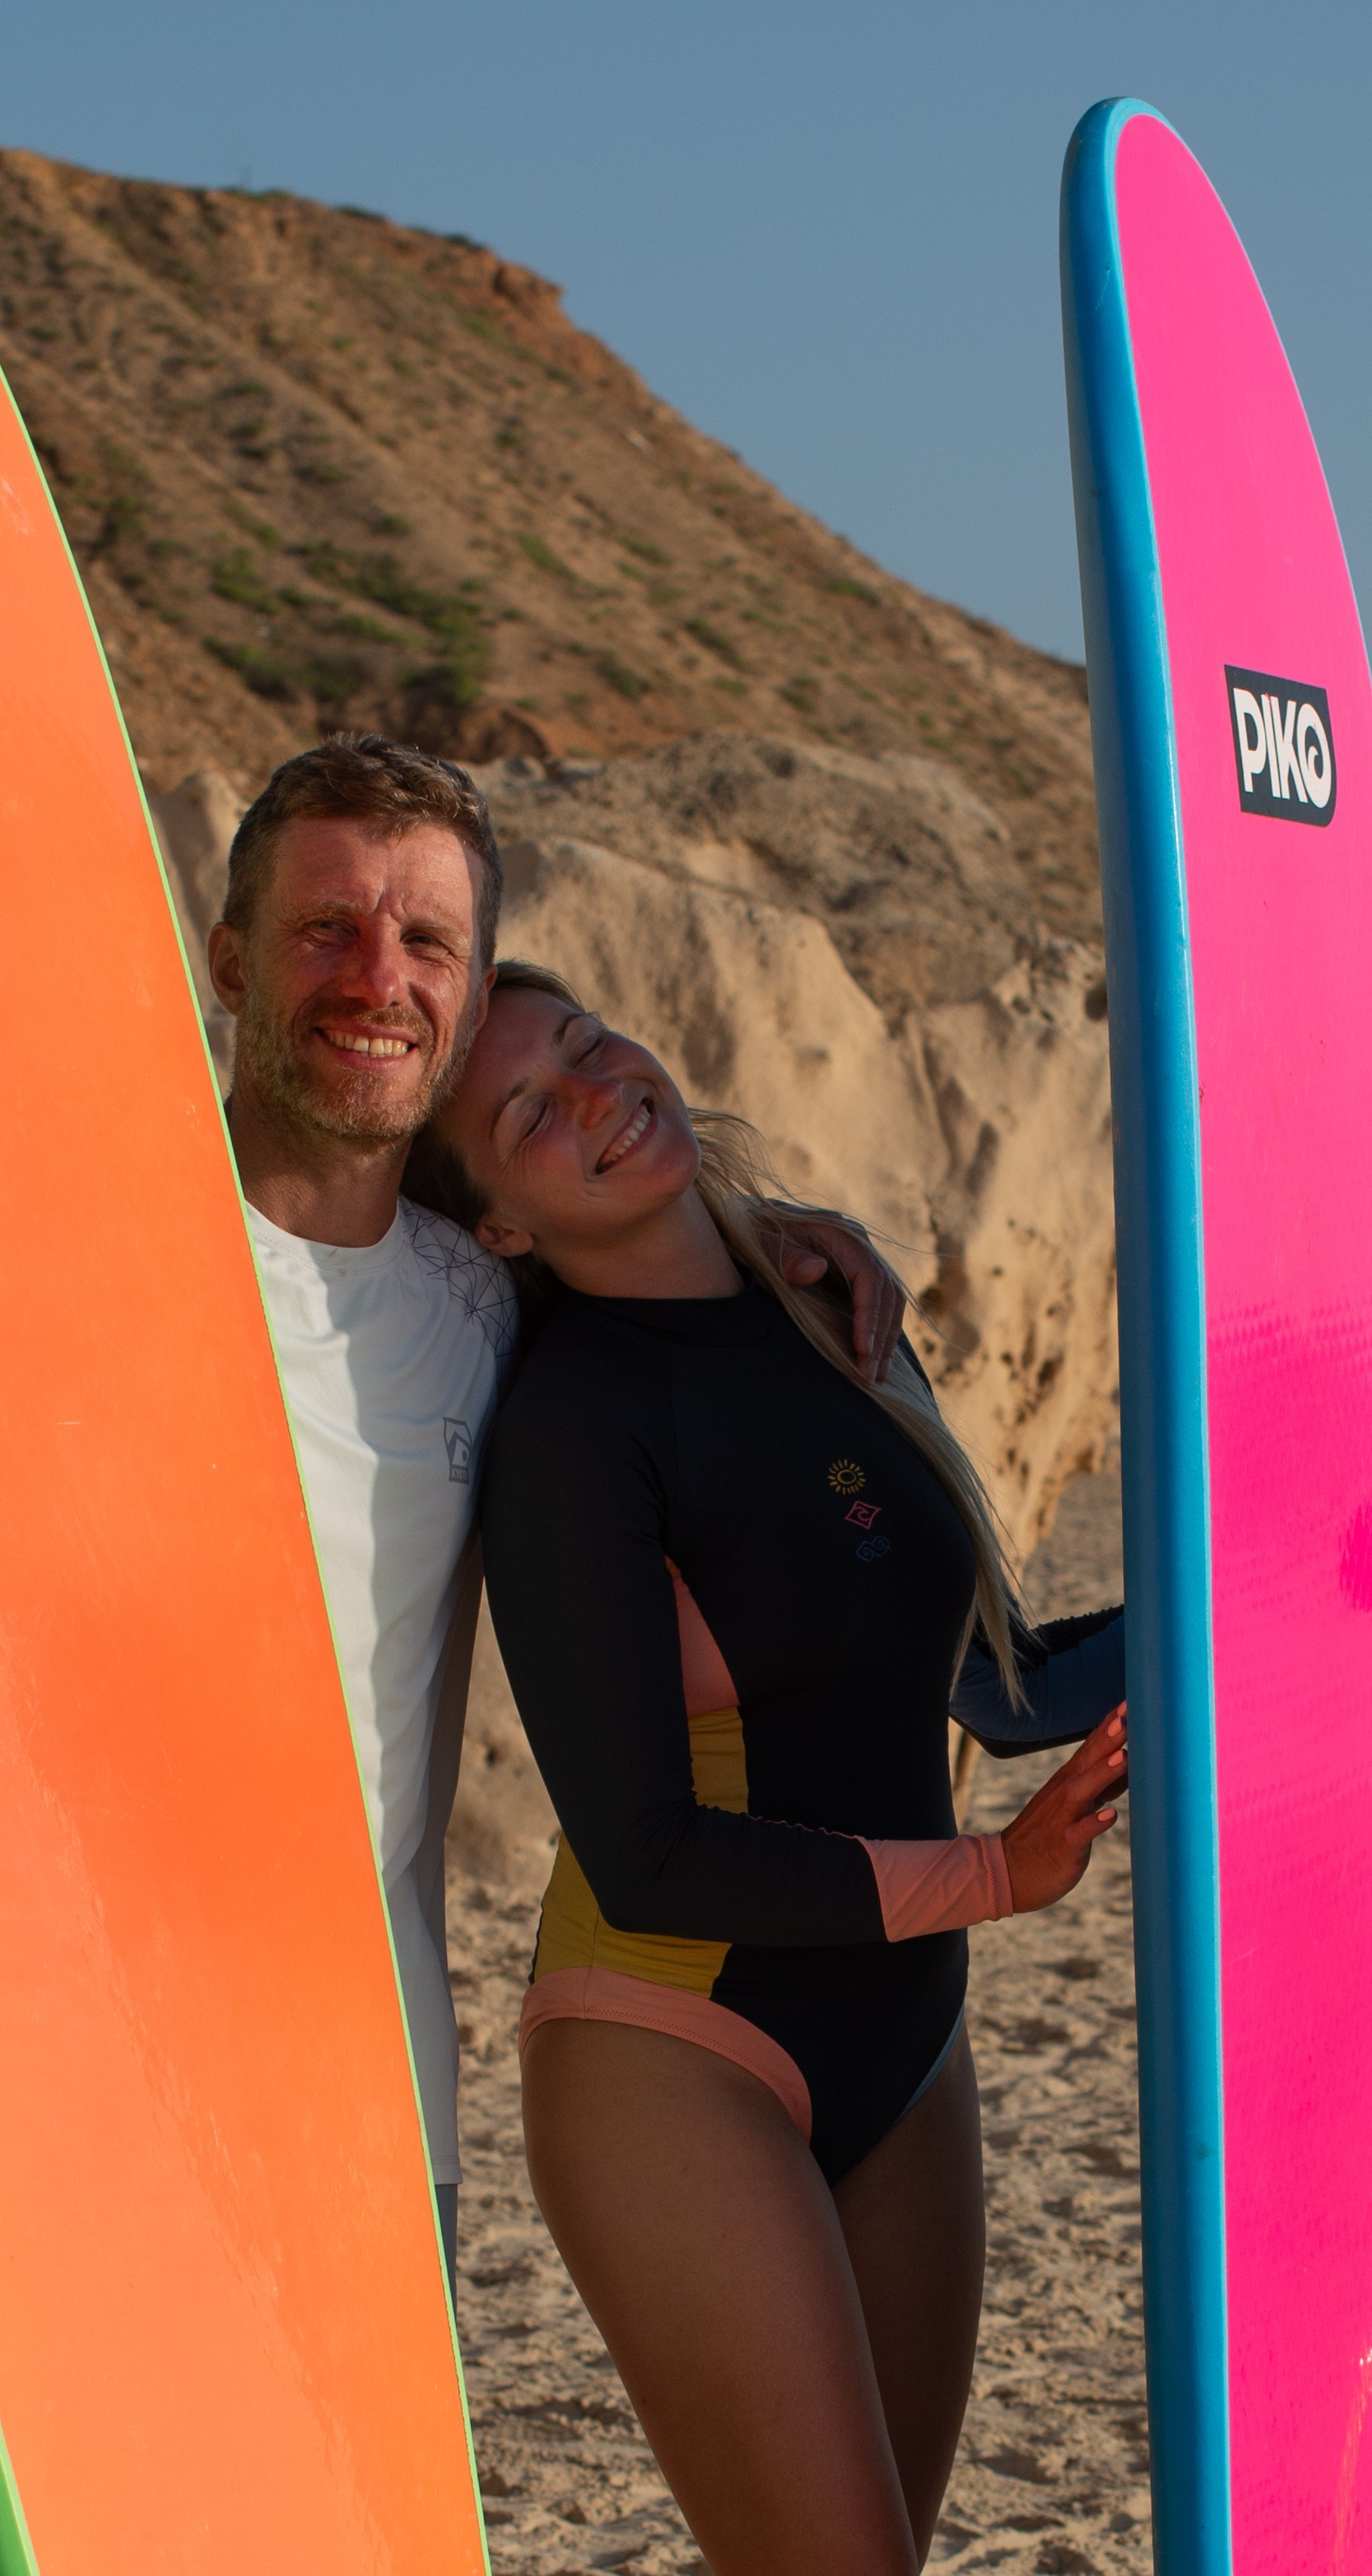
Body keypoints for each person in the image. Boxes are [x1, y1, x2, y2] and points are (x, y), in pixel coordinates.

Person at [0, 735, 909, 2576]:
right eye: (324, 928)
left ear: (464, 1008)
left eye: (424, 945)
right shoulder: (41, 1247)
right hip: (72, 2092)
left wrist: (786, 1233)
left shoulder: (487, 1313)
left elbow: (652, 1273)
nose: (374, 976)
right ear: (225, 960)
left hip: (370, 2111)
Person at [402, 960, 1128, 2576]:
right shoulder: (575, 1430)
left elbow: (991, 1687)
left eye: (585, 1041)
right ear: (500, 1224)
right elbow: (647, 1847)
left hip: (903, 2030)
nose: (595, 1088)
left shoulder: (831, 1302)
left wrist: (1266, 1606)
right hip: (678, 2045)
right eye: (530, 1108)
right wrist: (991, 1878)